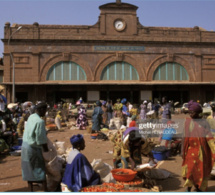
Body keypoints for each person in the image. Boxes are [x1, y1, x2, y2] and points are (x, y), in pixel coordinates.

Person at [182, 100, 215, 192]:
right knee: (190, 170)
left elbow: (209, 137)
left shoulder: (204, 122)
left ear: (198, 113)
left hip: (202, 152)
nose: (190, 114)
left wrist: (213, 149)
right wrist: (182, 151)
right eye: (189, 112)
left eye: (192, 112)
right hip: (190, 151)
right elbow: (184, 138)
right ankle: (188, 188)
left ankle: (199, 187)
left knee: (201, 170)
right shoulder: (187, 122)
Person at [21, 102, 49, 192]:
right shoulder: (40, 121)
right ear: (41, 110)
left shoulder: (31, 117)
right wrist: (47, 150)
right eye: (45, 110)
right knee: (40, 169)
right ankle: (45, 190)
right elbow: (41, 139)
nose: (45, 113)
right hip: (33, 148)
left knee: (29, 169)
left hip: (24, 147)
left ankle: (30, 190)